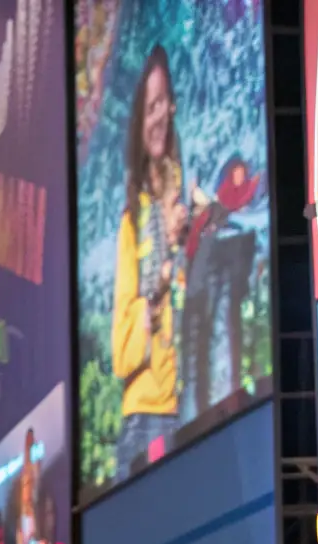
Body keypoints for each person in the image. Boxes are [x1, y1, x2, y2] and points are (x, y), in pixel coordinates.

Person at [111, 45, 189, 478]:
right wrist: (157, 290)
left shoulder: (186, 202)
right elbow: (122, 354)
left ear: (173, 107)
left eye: (161, 103)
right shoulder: (133, 224)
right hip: (148, 419)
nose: (157, 116)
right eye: (148, 108)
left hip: (194, 410)